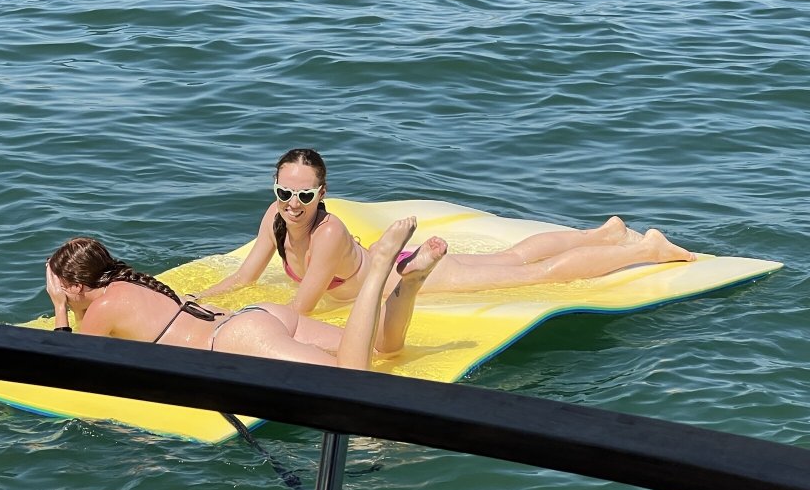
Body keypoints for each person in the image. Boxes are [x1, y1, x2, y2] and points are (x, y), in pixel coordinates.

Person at [196, 148, 697, 316]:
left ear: (322, 193)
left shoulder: (328, 235)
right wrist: (199, 298)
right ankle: (602, 233)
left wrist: (228, 319)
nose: (293, 204)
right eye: (286, 192)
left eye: (305, 196)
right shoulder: (274, 218)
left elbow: (299, 308)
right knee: (515, 259)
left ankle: (647, 249)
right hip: (402, 263)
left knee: (533, 273)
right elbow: (244, 276)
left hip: (416, 276)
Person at [45, 217, 448, 368]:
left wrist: (60, 309)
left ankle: (379, 269)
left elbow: (68, 366)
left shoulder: (105, 307)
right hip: (259, 317)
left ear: (78, 286)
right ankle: (408, 283)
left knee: (353, 376)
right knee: (382, 349)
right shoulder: (130, 282)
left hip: (237, 338)